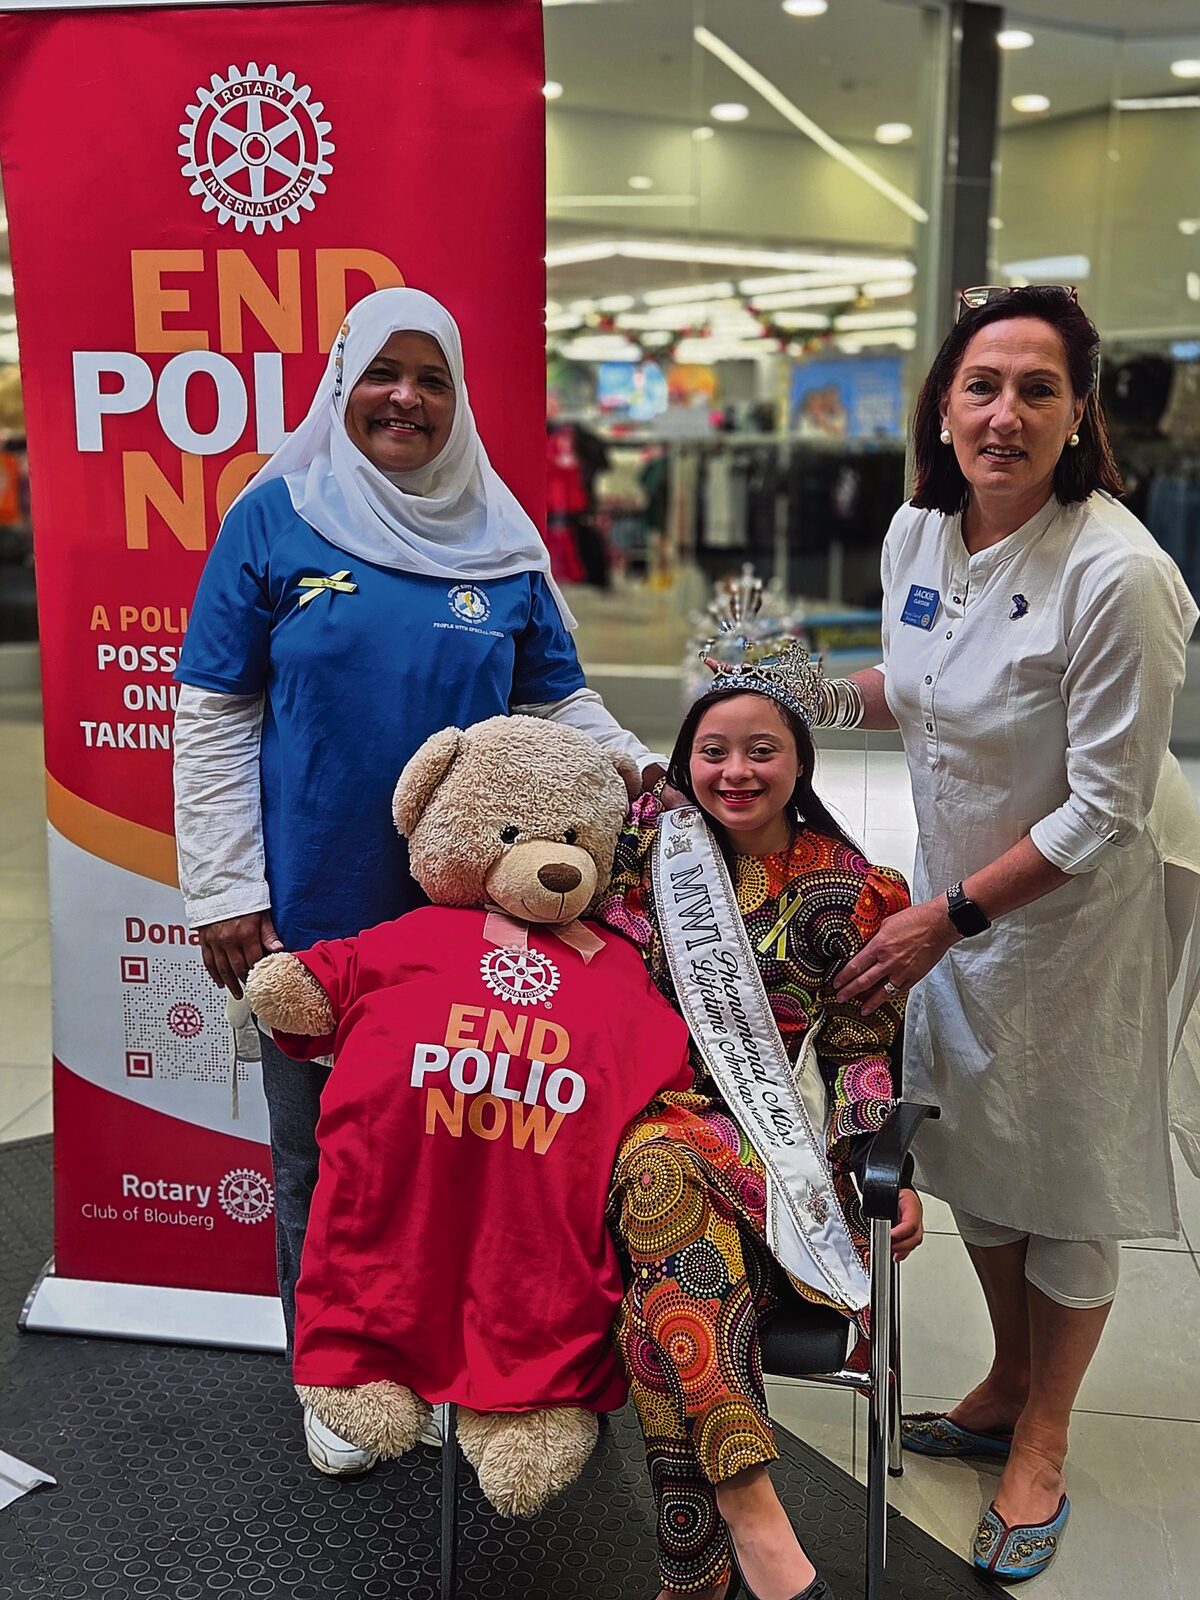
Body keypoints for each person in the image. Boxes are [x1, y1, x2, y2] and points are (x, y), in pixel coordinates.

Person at [171, 287, 666, 1470]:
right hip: (314, 902)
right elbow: (213, 709)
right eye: (382, 374)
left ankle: (460, 1361)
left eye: (431, 378)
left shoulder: (501, 538)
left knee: (464, 1148)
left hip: (477, 926)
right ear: (343, 385)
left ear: (458, 399)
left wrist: (651, 771)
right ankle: (336, 1376)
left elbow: (556, 698)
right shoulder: (276, 517)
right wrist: (223, 888)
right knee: (323, 1152)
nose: (406, 398)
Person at [818, 285, 1200, 1582]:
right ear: (943, 406)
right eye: (981, 386)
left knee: (1071, 1175)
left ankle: (1044, 1434)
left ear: (1080, 413)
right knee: (976, 1143)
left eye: (1040, 389)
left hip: (1083, 916)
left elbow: (1104, 807)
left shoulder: (1120, 576)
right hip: (959, 897)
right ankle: (1002, 1384)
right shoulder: (921, 533)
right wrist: (785, 691)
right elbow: (914, 684)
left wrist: (951, 915)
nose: (1006, 414)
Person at [596, 651, 924, 1600]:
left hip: (771, 1163)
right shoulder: (641, 858)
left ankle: (706, 1566)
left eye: (761, 750)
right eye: (712, 752)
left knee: (658, 1234)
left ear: (801, 760)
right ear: (684, 760)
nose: (735, 772)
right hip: (625, 1139)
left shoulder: (845, 889)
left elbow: (860, 1052)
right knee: (658, 1172)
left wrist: (880, 1162)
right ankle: (755, 1528)